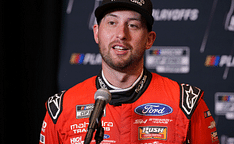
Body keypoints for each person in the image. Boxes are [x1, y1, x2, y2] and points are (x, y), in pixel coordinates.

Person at [39, 0, 219, 143]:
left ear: (149, 39)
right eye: (111, 22)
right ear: (96, 33)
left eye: (133, 25)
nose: (121, 34)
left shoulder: (186, 103)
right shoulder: (62, 108)